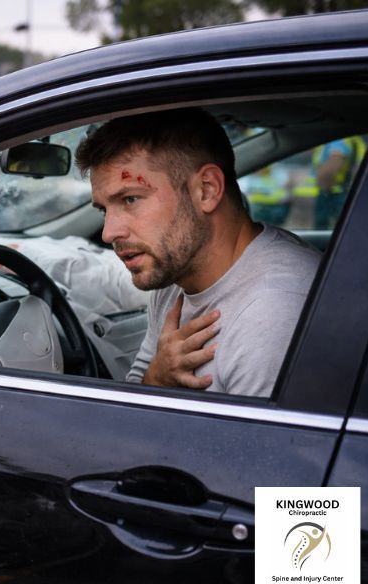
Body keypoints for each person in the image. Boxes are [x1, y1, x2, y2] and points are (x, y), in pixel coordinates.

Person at [76, 108, 321, 397]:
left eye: (130, 199)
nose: (108, 233)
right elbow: (138, 394)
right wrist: (157, 378)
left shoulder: (272, 316)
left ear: (206, 190)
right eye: (104, 209)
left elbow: (255, 443)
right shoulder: (176, 273)